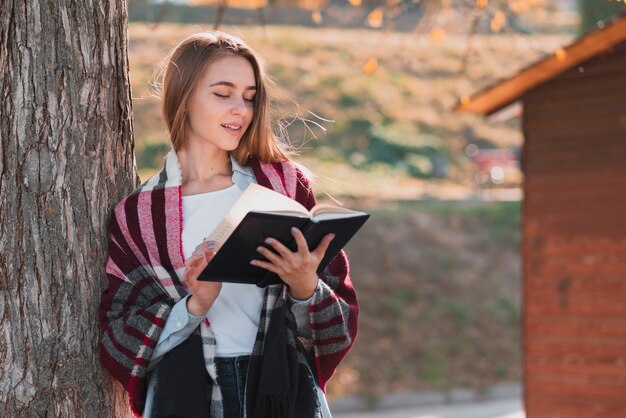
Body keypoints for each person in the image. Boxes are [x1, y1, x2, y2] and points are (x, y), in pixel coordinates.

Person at [98, 31, 358, 418]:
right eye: (223, 94)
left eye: (249, 97)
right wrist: (195, 304)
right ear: (183, 98)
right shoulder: (140, 214)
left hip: (281, 392)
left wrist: (306, 288)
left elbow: (337, 321)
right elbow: (118, 339)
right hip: (187, 396)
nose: (241, 109)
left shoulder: (283, 185)